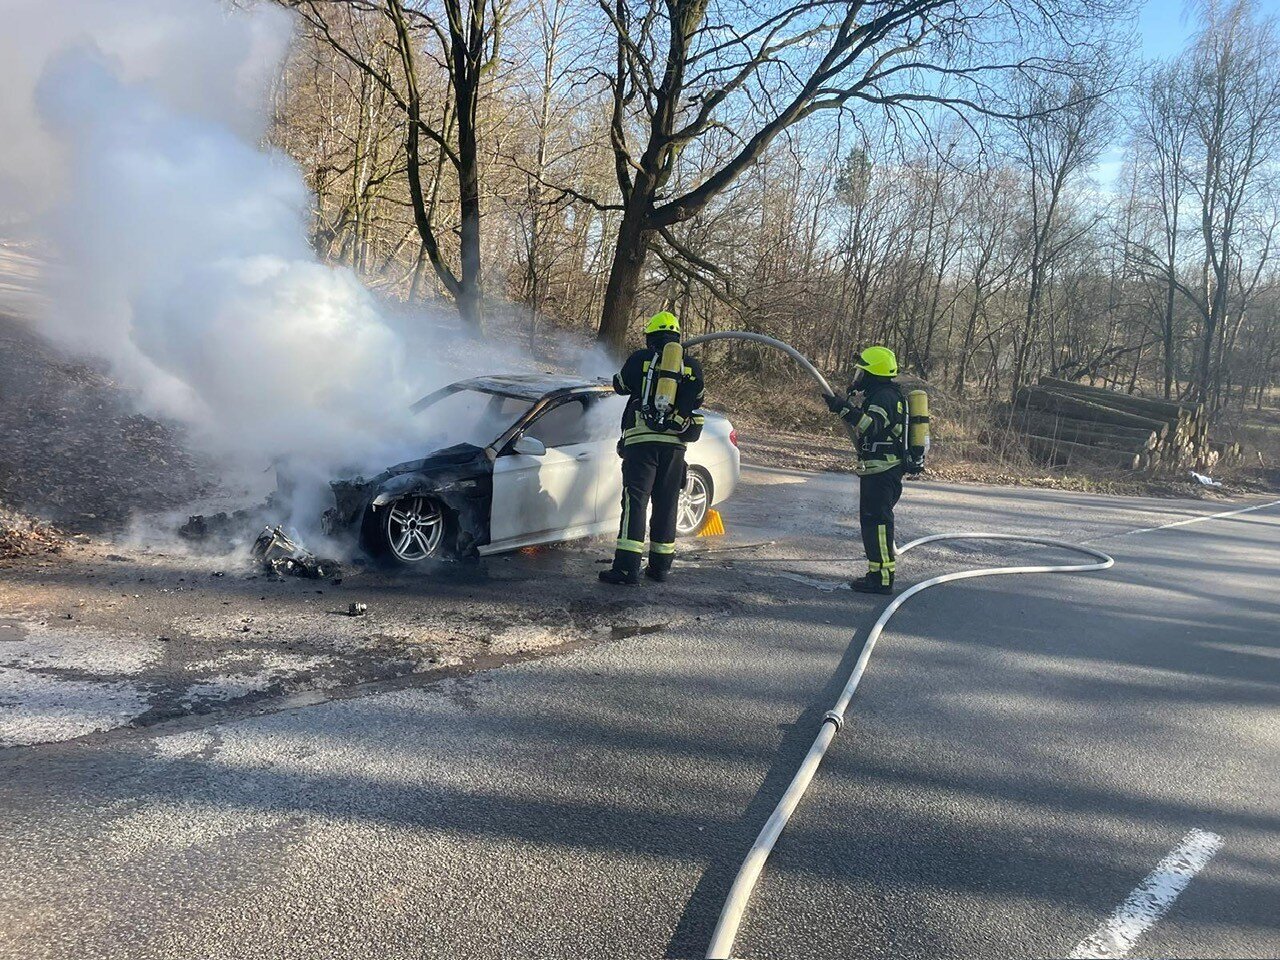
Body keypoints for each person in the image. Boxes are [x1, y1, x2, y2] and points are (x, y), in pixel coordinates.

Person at [599, 311, 705, 585]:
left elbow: (620, 386)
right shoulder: (691, 366)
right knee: (667, 504)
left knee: (635, 503)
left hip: (641, 444)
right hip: (675, 448)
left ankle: (626, 568)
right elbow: (699, 398)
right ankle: (660, 567)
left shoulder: (640, 359)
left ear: (651, 337)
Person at [827, 345, 907, 594]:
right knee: (873, 523)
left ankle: (882, 579)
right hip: (878, 469)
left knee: (879, 523)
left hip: (883, 470)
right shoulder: (883, 394)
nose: (858, 376)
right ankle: (876, 573)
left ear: (873, 373)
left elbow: (872, 426)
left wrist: (844, 408)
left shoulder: (885, 397)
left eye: (862, 372)